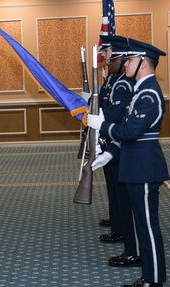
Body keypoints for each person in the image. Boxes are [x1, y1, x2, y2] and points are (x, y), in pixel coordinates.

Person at [88, 38, 168, 287]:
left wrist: (103, 126)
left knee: (148, 228)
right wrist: (111, 152)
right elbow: (127, 132)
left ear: (143, 63)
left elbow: (131, 131)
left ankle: (153, 279)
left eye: (131, 60)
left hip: (144, 168)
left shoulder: (148, 93)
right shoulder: (140, 91)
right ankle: (149, 275)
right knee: (142, 225)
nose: (125, 64)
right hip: (135, 166)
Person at [93, 36, 140, 268]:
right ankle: (118, 228)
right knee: (116, 192)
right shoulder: (115, 80)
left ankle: (129, 244)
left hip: (122, 146)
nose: (106, 59)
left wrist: (98, 122)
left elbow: (114, 114)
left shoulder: (123, 84)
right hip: (114, 143)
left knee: (124, 198)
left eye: (110, 56)